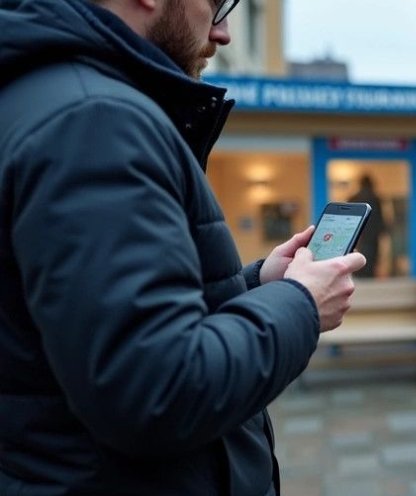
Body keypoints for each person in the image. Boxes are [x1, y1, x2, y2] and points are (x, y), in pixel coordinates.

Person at [0, 0, 366, 494]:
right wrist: (300, 303)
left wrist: (257, 285)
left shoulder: (47, 98)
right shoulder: (95, 120)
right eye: (215, 4)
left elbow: (109, 326)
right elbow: (157, 390)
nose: (224, 33)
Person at [348, 174, 386, 278]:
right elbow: (380, 218)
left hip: (359, 234)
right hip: (373, 235)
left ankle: (359, 275)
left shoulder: (354, 198)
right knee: (371, 257)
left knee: (359, 254)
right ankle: (368, 276)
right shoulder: (376, 199)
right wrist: (382, 231)